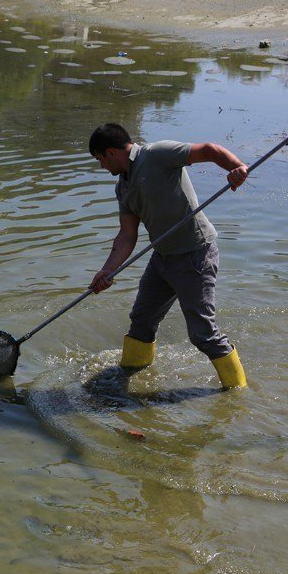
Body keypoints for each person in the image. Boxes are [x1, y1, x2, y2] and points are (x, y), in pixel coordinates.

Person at [87, 123, 249, 388]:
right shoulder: (123, 188)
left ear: (110, 152)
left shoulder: (156, 154)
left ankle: (238, 393)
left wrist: (236, 167)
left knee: (203, 334)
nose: (101, 167)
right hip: (162, 258)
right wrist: (108, 271)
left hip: (194, 254)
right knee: (141, 320)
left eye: (100, 160)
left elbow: (208, 150)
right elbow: (127, 235)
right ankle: (128, 377)